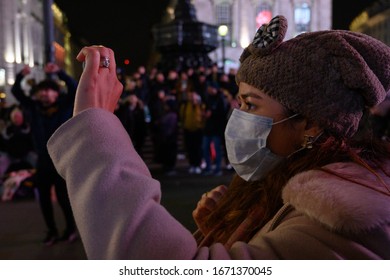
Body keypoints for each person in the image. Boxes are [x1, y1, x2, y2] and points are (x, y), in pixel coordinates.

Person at [47, 15, 390, 259]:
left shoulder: (343, 217)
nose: (237, 115)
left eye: (251, 105)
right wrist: (225, 232)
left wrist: (96, 125)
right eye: (238, 101)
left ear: (310, 124)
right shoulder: (276, 182)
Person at [12, 63, 78, 246]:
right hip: (42, 160)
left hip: (61, 159)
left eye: (49, 91)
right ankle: (51, 231)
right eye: (42, 91)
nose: (45, 94)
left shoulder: (65, 106)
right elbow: (16, 92)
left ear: (56, 93)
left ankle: (70, 229)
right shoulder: (34, 109)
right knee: (44, 198)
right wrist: (21, 76)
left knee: (63, 197)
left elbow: (74, 88)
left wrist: (60, 73)